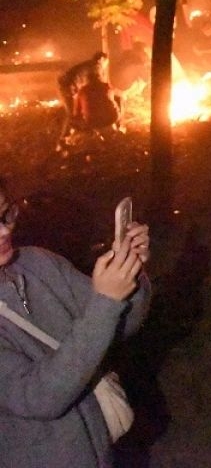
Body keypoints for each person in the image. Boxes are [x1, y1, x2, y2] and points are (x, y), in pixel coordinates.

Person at [0, 182, 152, 468]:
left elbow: (123, 324)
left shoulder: (37, 263)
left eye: (6, 214)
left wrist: (130, 272)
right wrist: (106, 301)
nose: (5, 230)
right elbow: (40, 396)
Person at [55, 52, 108, 149]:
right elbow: (99, 85)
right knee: (72, 114)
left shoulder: (89, 64)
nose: (105, 66)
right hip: (69, 89)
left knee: (76, 113)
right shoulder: (96, 66)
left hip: (68, 87)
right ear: (101, 59)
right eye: (106, 63)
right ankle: (63, 141)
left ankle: (73, 137)